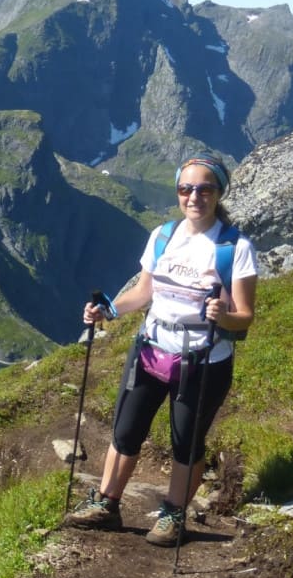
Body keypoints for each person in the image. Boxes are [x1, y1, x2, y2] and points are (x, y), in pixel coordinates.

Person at [63, 154, 257, 546]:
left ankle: (172, 514)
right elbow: (144, 292)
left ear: (219, 193)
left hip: (202, 359)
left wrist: (223, 315)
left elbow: (246, 316)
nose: (194, 197)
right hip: (151, 349)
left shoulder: (234, 247)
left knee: (186, 441)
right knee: (125, 430)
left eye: (205, 189)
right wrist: (109, 310)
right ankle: (106, 502)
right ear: (178, 193)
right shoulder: (164, 235)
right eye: (186, 189)